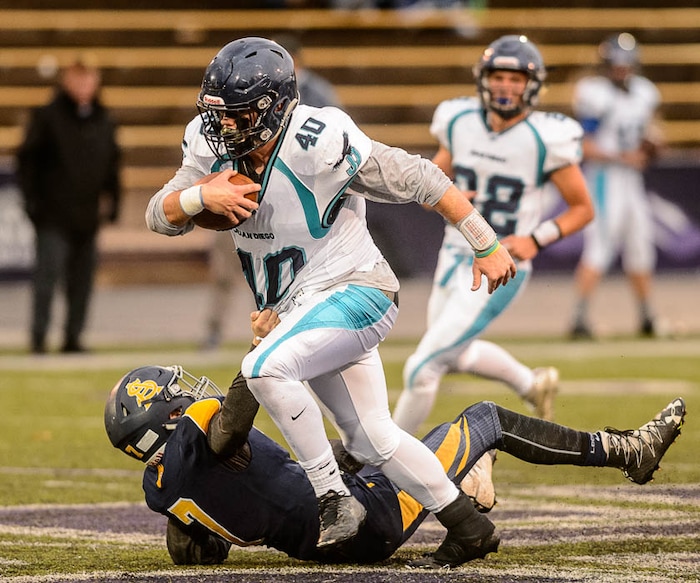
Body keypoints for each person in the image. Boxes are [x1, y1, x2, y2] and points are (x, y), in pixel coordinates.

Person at [145, 36, 517, 568]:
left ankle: (333, 496)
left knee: (262, 367)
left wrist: (484, 241)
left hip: (358, 289)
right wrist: (199, 196)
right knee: (371, 440)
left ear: (275, 109)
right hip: (305, 308)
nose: (223, 127)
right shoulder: (208, 149)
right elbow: (160, 214)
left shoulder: (319, 139)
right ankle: (468, 524)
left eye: (238, 115)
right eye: (218, 114)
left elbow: (420, 178)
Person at [104, 351, 686, 567]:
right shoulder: (204, 438)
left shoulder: (161, 488)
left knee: (373, 444)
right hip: (366, 519)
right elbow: (233, 418)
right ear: (165, 418)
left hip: (321, 532)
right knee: (487, 416)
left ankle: (466, 473)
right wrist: (266, 353)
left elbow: (196, 550)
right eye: (176, 394)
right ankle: (623, 450)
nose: (188, 394)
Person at [392, 36, 594, 445]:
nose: (505, 86)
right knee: (456, 353)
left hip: (500, 265)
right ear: (483, 80)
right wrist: (441, 198)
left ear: (531, 85)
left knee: (423, 367)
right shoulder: (458, 120)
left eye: (514, 78)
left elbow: (582, 208)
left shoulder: (546, 136)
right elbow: (432, 181)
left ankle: (381, 459)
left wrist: (537, 239)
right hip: (452, 254)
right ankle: (532, 383)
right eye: (498, 76)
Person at [201, 35, 342, 352]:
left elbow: (337, 149)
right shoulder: (239, 94)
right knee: (228, 269)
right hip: (242, 188)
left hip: (295, 200)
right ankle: (215, 329)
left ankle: (300, 331)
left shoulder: (319, 95)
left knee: (300, 279)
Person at [17, 58, 121, 354]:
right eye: (79, 80)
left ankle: (73, 336)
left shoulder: (103, 118)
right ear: (67, 82)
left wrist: (113, 201)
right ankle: (39, 337)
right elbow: (28, 161)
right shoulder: (48, 116)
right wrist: (33, 203)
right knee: (47, 278)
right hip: (53, 215)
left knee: (82, 282)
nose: (85, 87)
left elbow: (113, 163)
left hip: (87, 215)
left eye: (90, 80)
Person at [569, 33, 663, 340]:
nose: (622, 70)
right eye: (616, 64)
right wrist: (622, 156)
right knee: (599, 247)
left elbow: (653, 132)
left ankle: (647, 315)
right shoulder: (594, 93)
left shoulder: (645, 93)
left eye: (626, 64)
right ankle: (579, 317)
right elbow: (583, 144)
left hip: (631, 180)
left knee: (641, 247)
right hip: (603, 178)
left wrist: (651, 147)